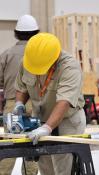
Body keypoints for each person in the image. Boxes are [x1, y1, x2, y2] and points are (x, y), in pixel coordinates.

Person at [14, 33, 86, 175]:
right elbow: (21, 86)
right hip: (40, 118)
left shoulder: (70, 67)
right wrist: (19, 104)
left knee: (64, 168)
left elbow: (64, 102)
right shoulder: (29, 61)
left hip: (67, 120)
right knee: (45, 165)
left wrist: (48, 127)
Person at [0, 14, 39, 175]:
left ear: (16, 33)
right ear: (36, 32)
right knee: (33, 146)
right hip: (36, 104)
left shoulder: (7, 54)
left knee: (9, 146)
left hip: (12, 104)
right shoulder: (39, 53)